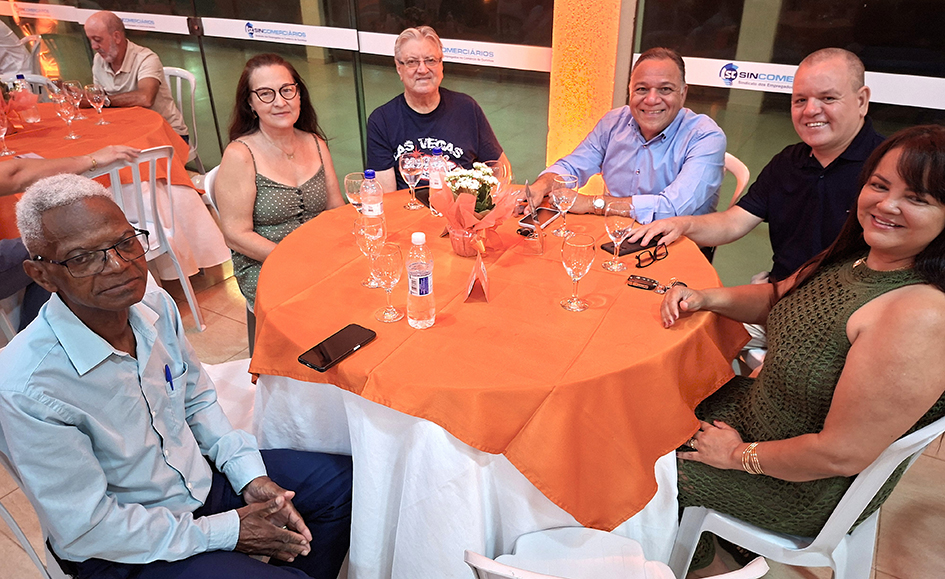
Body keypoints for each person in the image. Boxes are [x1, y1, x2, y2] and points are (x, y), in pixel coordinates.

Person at [0, 173, 352, 579]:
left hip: (197, 484)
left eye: (125, 242)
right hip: (122, 547)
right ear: (41, 275)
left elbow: (197, 400)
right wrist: (227, 532)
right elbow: (88, 527)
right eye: (83, 258)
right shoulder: (28, 385)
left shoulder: (154, 304)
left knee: (341, 488)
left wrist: (249, 476)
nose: (119, 266)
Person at [661, 125, 945, 572]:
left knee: (636, 471)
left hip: (801, 486)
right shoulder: (860, 256)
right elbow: (780, 297)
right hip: (757, 416)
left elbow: (841, 453)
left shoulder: (918, 313)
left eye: (917, 198)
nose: (887, 205)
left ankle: (691, 562)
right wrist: (704, 297)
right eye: (879, 185)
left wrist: (735, 456)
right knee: (641, 411)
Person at [629, 48, 885, 282]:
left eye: (827, 98)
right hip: (779, 294)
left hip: (851, 306)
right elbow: (733, 223)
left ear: (862, 101)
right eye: (800, 100)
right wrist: (682, 225)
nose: (810, 111)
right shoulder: (788, 163)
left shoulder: (889, 168)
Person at [530, 47, 726, 223]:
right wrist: (543, 185)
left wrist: (593, 204)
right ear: (630, 91)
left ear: (683, 94)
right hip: (616, 232)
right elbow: (573, 166)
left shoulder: (706, 137)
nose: (651, 99)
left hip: (678, 243)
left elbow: (672, 208)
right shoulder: (613, 122)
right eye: (642, 89)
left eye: (665, 89)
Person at [215, 54, 344, 309]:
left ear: (299, 94)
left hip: (321, 256)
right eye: (266, 94)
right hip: (266, 263)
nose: (280, 102)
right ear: (250, 103)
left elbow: (335, 209)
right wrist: (293, 260)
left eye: (287, 90)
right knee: (325, 305)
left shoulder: (315, 143)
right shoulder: (241, 154)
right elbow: (235, 235)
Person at [0, 145, 139, 331]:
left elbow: (16, 174)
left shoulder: (160, 304)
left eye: (126, 242)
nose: (118, 265)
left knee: (54, 253)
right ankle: (54, 336)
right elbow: (14, 175)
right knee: (53, 249)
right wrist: (90, 159)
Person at [366, 26, 509, 192]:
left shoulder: (467, 108)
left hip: (462, 206)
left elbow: (500, 170)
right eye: (412, 62)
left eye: (430, 60)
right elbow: (387, 197)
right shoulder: (382, 121)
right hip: (409, 207)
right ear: (399, 68)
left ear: (441, 66)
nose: (422, 69)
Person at [83, 11, 189, 140]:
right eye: (90, 40)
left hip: (166, 131)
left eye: (98, 40)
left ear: (116, 37)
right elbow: (97, 98)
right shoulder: (99, 60)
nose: (93, 46)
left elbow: (145, 98)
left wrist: (104, 100)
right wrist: (83, 98)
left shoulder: (146, 58)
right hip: (128, 128)